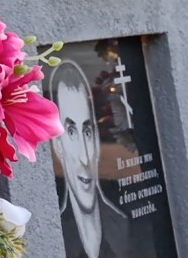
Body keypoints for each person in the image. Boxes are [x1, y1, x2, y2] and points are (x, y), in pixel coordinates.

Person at [49, 59, 130, 258]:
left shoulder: (121, 225)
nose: (85, 158)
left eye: (87, 132)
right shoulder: (55, 232)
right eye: (71, 132)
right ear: (58, 145)